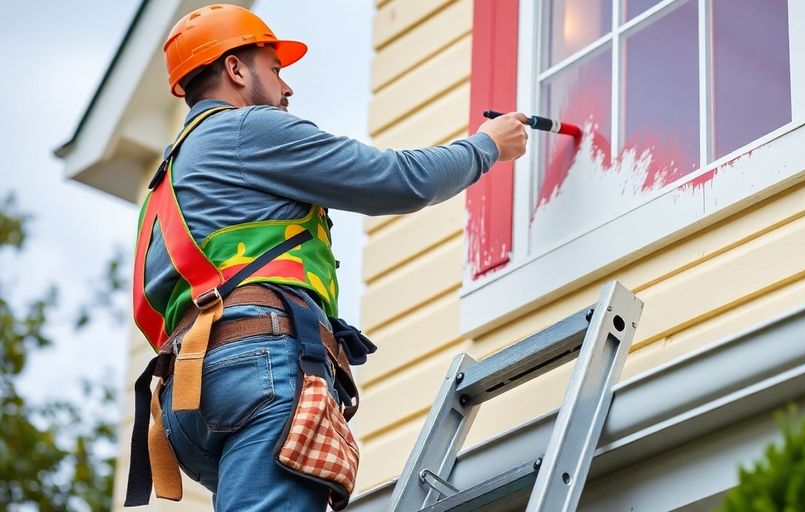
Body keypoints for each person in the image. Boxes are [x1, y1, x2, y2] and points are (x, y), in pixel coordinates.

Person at [124, 4, 528, 511]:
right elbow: (399, 180)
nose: (287, 87)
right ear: (235, 69)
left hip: (187, 395)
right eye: (275, 69)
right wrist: (486, 147)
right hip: (256, 366)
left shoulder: (168, 177)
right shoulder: (246, 130)